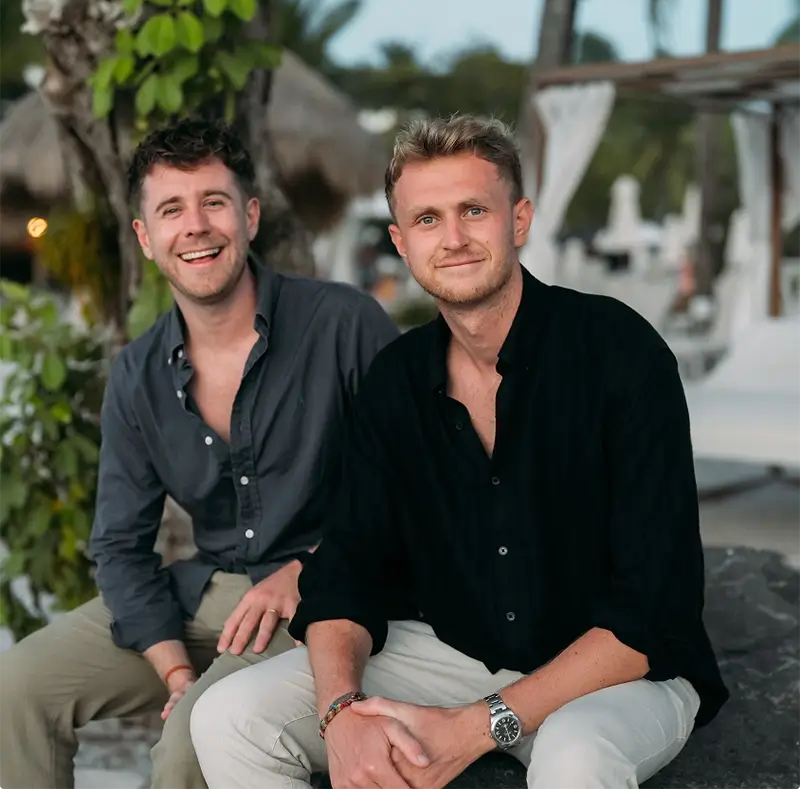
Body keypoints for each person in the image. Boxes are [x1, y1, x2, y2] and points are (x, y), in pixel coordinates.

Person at [190, 113, 730, 789]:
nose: (453, 238)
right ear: (401, 241)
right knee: (230, 716)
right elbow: (349, 569)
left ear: (519, 220)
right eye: (427, 219)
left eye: (474, 210)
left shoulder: (619, 352)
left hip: (614, 670)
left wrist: (474, 728)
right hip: (453, 653)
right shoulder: (396, 380)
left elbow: (653, 607)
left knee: (576, 760)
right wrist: (341, 712)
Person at [0, 117, 399, 789]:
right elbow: (119, 546)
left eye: (214, 202)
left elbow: (414, 479)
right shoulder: (137, 373)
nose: (195, 226)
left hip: (325, 598)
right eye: (171, 209)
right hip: (206, 594)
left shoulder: (343, 324)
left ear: (250, 215)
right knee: (16, 689)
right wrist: (174, 669)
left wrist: (310, 566)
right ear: (145, 237)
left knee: (192, 736)